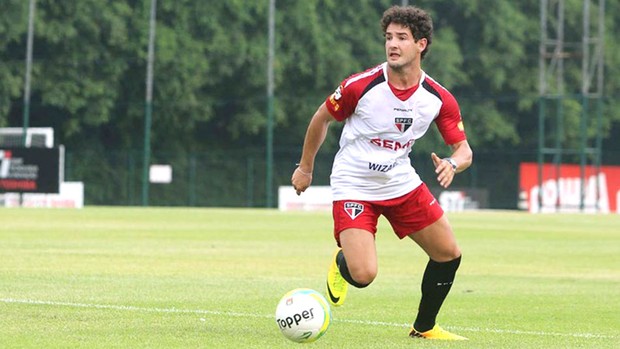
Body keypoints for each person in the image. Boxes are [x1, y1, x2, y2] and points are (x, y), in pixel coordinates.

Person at [290, 5, 473, 341]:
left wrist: (452, 163)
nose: (393, 44)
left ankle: (424, 327)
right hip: (354, 184)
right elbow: (321, 118)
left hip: (401, 182)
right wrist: (305, 168)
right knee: (363, 275)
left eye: (402, 38)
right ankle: (344, 261)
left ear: (421, 44)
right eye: (389, 37)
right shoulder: (360, 86)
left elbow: (464, 150)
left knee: (448, 254)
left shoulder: (437, 98)